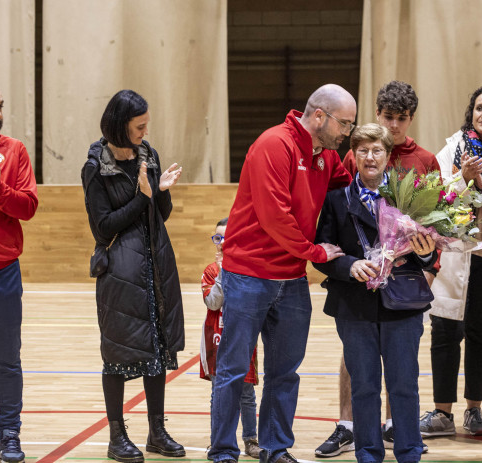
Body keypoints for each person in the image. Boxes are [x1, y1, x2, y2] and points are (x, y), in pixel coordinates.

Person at [210, 84, 354, 463]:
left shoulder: (325, 156)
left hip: (291, 279)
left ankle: (275, 449)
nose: (347, 134)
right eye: (345, 124)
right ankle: (223, 450)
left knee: (285, 371)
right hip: (248, 275)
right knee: (234, 369)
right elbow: (276, 217)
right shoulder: (275, 145)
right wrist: (315, 251)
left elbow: (349, 187)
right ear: (319, 115)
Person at [316, 80, 439, 457]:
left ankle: (409, 453)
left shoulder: (410, 194)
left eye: (378, 151)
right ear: (352, 155)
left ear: (389, 155)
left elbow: (430, 253)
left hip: (402, 305)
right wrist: (350, 265)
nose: (371, 157)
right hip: (354, 307)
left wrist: (425, 254)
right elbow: (322, 251)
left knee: (404, 385)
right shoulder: (336, 200)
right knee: (365, 386)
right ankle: (367, 454)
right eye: (363, 150)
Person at [82, 89, 185, 463]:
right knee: (118, 355)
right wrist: (142, 197)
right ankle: (116, 437)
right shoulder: (96, 166)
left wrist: (161, 194)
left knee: (156, 350)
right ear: (119, 125)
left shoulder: (149, 155)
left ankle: (156, 431)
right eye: (138, 126)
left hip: (156, 266)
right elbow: (103, 228)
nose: (144, 131)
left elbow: (160, 214)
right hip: (120, 273)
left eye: (146, 125)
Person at [421, 85, 482, 438]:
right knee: (445, 331)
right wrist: (464, 178)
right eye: (479, 108)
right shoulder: (452, 149)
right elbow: (437, 199)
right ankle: (442, 413)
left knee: (481, 332)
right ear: (471, 113)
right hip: (455, 254)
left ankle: (474, 410)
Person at [0, 81, 38, 463]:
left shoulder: (13, 151)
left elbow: (28, 207)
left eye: (0, 105)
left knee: (6, 360)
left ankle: (10, 435)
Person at [200, 218, 260, 459]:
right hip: (216, 341)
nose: (222, 243)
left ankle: (250, 439)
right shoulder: (211, 271)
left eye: (227, 237)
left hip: (244, 337)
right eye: (218, 238)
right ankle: (219, 440)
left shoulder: (249, 269)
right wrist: (224, 273)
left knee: (246, 393)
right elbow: (213, 302)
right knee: (219, 392)